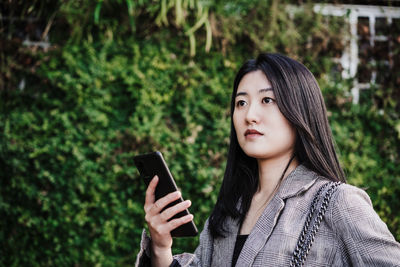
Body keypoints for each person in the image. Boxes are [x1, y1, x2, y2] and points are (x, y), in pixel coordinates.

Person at [135, 53, 400, 266]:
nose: (250, 114)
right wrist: (160, 248)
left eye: (267, 99)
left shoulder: (336, 203)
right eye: (241, 103)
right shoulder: (228, 213)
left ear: (300, 111)